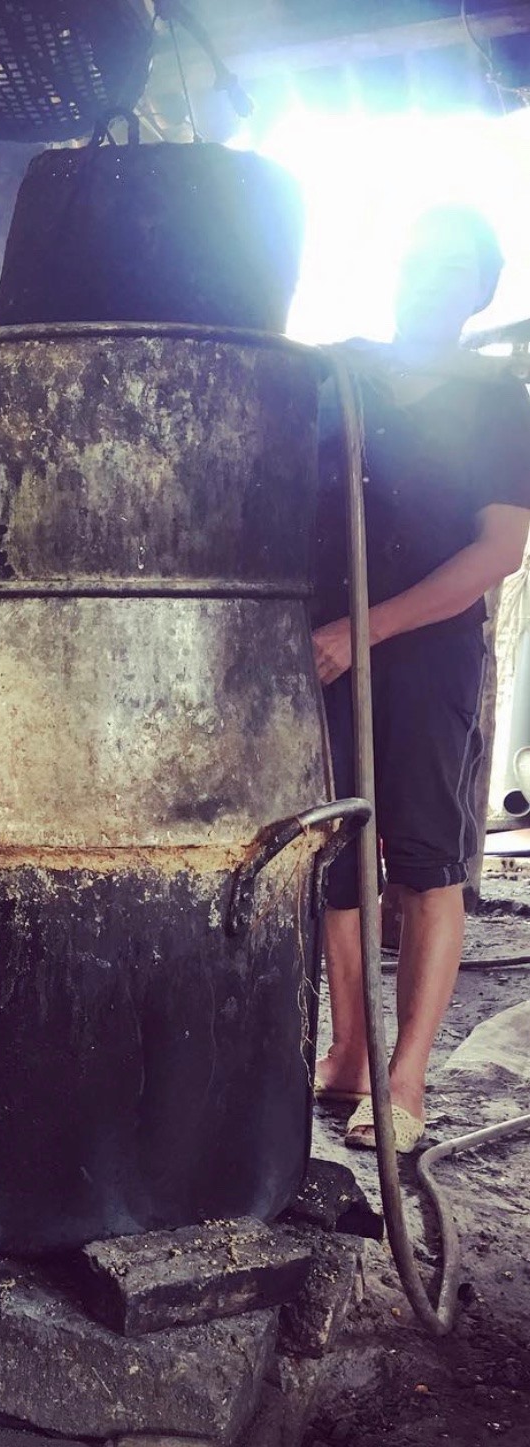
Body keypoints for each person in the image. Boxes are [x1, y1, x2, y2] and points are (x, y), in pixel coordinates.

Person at [311, 205, 530, 1152]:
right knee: (333, 856)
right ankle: (349, 1053)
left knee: (422, 860)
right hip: (321, 644)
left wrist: (366, 631)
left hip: (425, 651)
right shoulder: (338, 376)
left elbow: (498, 552)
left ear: (477, 291)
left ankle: (403, 1083)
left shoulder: (497, 401)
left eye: (451, 267)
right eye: (416, 258)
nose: (426, 279)